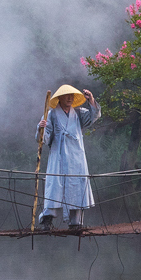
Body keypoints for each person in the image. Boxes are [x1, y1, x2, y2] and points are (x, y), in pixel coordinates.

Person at [37, 84, 99, 230]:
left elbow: (93, 117)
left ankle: (76, 222)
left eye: (72, 96)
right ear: (60, 98)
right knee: (55, 186)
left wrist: (91, 101)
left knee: (77, 185)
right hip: (58, 157)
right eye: (67, 96)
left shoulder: (78, 113)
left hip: (76, 156)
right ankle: (47, 220)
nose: (70, 98)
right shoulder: (51, 114)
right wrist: (41, 128)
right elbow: (44, 139)